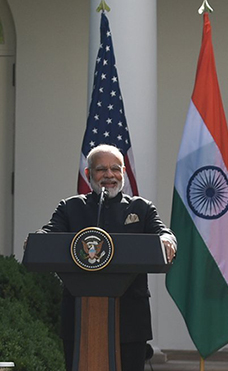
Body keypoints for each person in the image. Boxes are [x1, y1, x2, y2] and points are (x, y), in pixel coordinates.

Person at [37, 144, 177, 371]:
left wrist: (166, 239)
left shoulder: (141, 208)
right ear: (88, 174)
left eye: (115, 169)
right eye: (101, 169)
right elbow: (49, 234)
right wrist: (37, 240)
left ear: (123, 172)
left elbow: (164, 233)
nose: (109, 175)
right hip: (80, 317)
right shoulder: (70, 208)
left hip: (130, 318)